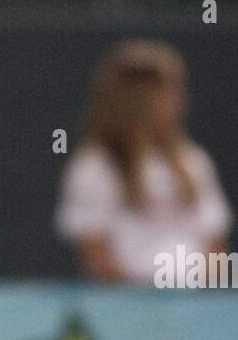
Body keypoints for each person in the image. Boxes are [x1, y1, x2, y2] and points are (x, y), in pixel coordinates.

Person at [55, 41, 232, 284]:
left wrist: (201, 302)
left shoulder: (193, 160)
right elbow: (96, 255)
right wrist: (140, 305)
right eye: (169, 93)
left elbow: (214, 246)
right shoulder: (94, 167)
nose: (180, 102)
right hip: (128, 307)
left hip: (194, 306)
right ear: (137, 100)